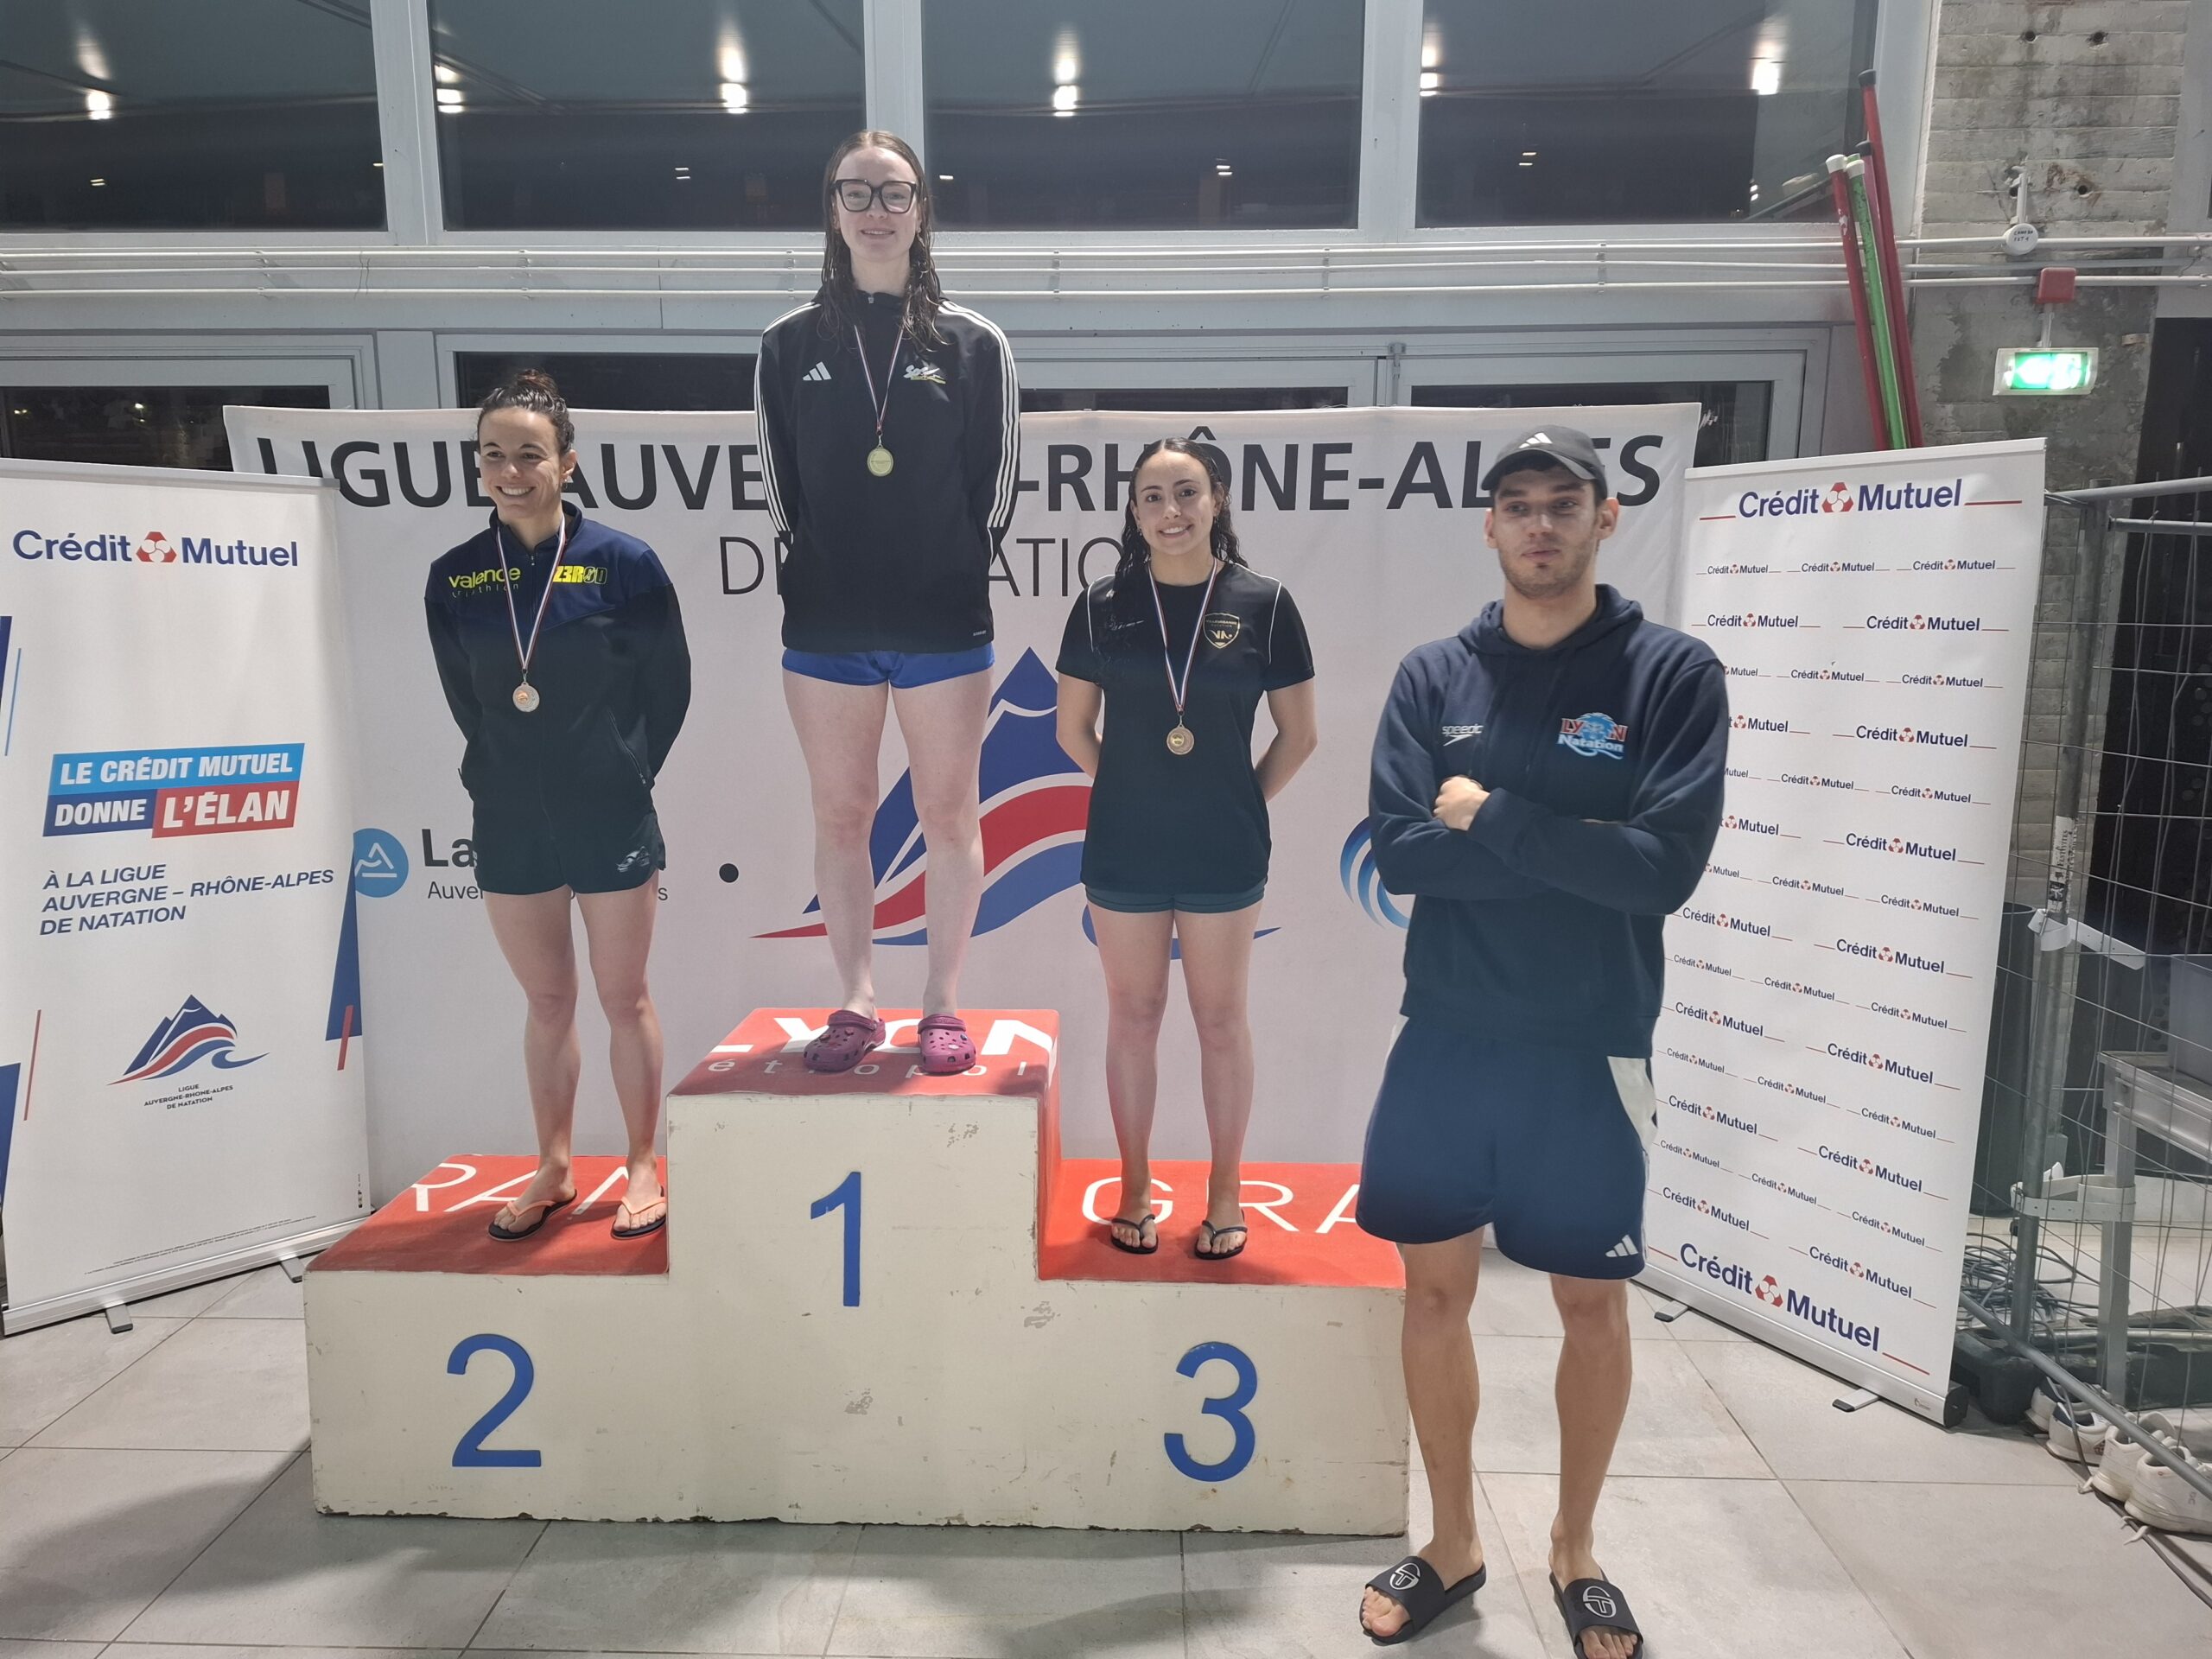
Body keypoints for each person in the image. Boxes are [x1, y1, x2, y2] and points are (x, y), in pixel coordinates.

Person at [1352, 428, 1726, 1655]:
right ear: (1489, 527)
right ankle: (1453, 1542)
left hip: (1588, 1043)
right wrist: (1574, 848)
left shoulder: (1670, 676)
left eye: (1564, 504)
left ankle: (1574, 1549)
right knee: (1432, 1293)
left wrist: (1493, 819)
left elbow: (1662, 872)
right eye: (1517, 505)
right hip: (1448, 1035)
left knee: (1591, 1305)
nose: (1540, 525)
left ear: (1606, 518)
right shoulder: (1433, 676)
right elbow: (1402, 854)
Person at [755, 130, 1019, 1076]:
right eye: (856, 192)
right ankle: (856, 1000)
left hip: (941, 623)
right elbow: (780, 487)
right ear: (832, 209)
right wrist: (818, 573)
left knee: (950, 816)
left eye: (894, 192)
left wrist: (950, 573)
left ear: (921, 210)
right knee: (842, 816)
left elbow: (994, 486)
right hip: (828, 624)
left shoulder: (974, 342)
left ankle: (941, 1003)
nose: (875, 210)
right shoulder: (788, 343)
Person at [425, 370, 692, 1243]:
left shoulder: (624, 564)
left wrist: (622, 771)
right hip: (509, 820)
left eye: (530, 455)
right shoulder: (456, 576)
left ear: (566, 462)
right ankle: (553, 1165)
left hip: (608, 812)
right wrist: (505, 771)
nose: (511, 471)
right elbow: (467, 700)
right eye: (493, 455)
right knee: (547, 1002)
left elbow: (669, 687)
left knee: (624, 998)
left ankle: (644, 1164)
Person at [1054, 440, 1317, 1261]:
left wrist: (1233, 801)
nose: (1171, 511)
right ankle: (1134, 1187)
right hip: (1124, 846)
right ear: (1134, 513)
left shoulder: (1266, 604)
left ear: (1218, 500)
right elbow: (1072, 728)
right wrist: (1133, 788)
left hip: (1223, 850)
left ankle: (1226, 1191)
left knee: (1220, 1018)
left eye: (1187, 492)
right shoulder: (1101, 605)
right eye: (1152, 497)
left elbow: (1300, 735)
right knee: (1134, 1016)